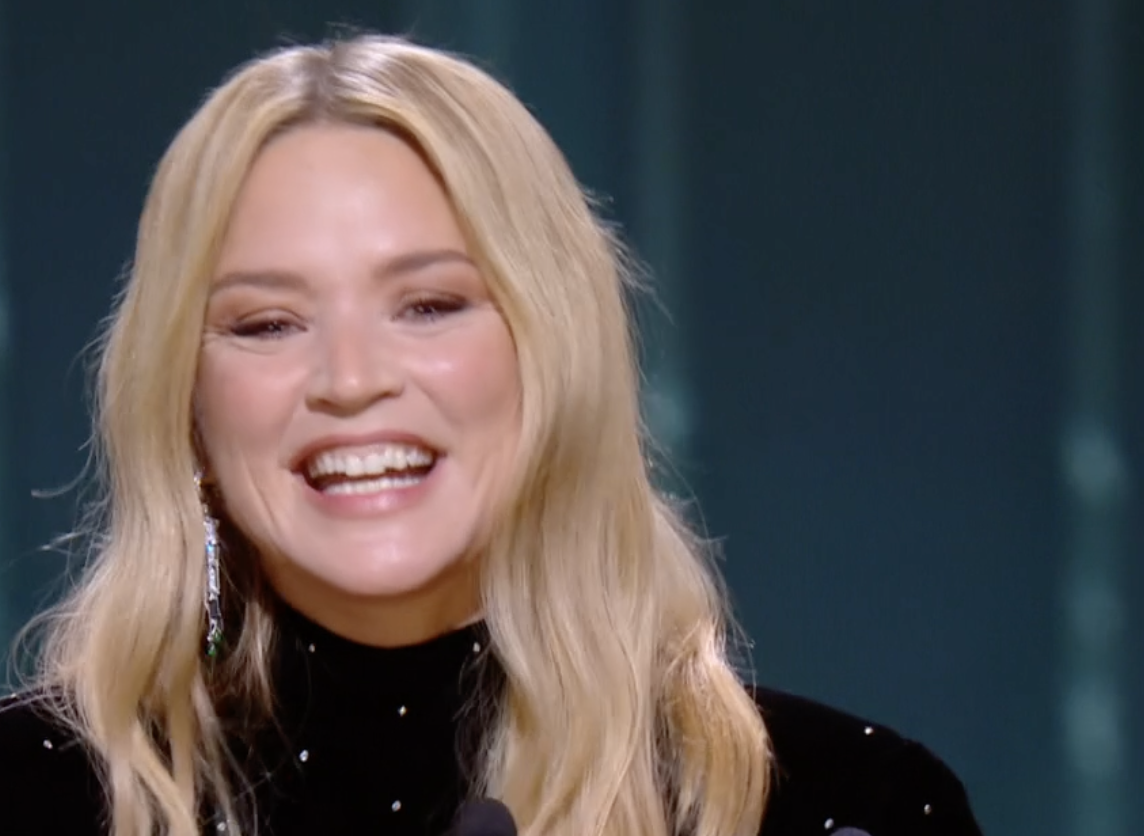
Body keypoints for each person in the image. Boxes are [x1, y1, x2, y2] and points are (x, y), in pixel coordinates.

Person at [0, 34, 983, 836]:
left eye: (429, 305)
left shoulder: (844, 808)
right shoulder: (31, 797)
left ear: (553, 350)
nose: (351, 379)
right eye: (266, 323)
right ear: (186, 401)